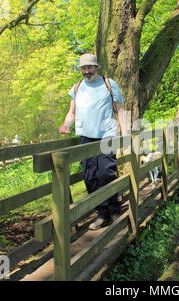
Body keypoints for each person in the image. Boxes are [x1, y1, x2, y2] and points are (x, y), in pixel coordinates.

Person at [59, 53, 126, 231]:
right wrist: (66, 124)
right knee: (90, 177)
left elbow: (120, 110)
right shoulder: (77, 87)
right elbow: (72, 112)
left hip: (107, 135)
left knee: (106, 173)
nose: (87, 71)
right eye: (83, 68)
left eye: (89, 67)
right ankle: (103, 214)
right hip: (86, 137)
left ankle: (113, 208)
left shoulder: (109, 84)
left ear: (96, 67)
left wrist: (125, 136)